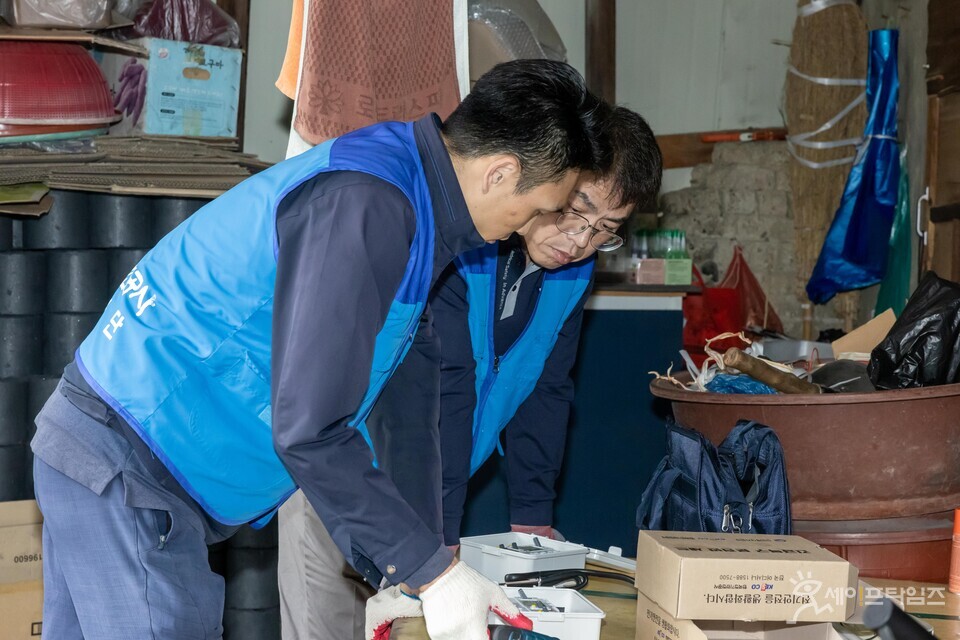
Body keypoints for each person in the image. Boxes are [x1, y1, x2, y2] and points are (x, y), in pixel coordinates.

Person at [30, 59, 610, 640]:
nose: (523, 230)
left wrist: (412, 569)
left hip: (132, 455)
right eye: (539, 210)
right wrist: (429, 572)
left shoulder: (420, 212)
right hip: (128, 460)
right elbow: (310, 427)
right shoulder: (368, 203)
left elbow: (409, 401)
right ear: (500, 173)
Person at [278, 107, 662, 640]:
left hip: (432, 492)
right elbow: (442, 390)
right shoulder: (469, 242)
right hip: (347, 472)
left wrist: (532, 520)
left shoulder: (573, 271)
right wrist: (439, 538)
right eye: (575, 212)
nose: (579, 240)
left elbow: (547, 389)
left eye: (605, 231)